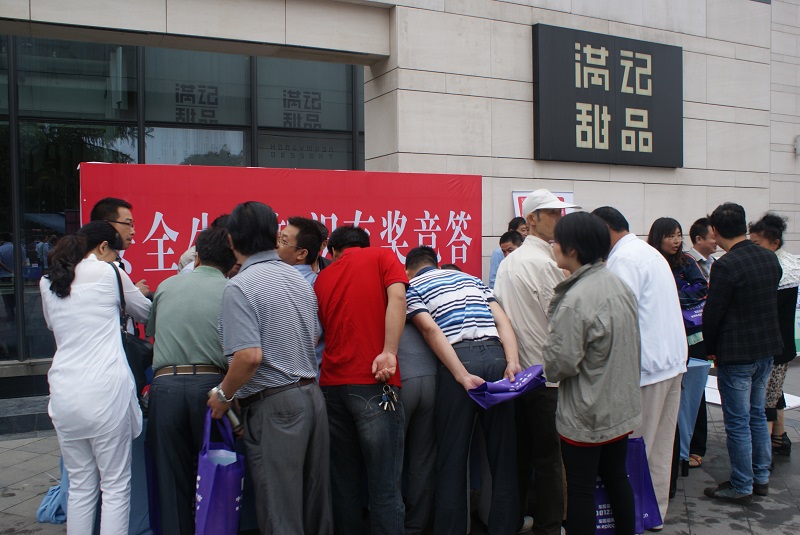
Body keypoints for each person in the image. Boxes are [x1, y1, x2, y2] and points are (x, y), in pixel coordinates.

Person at [207, 201, 332, 534]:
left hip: (275, 406)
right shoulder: (298, 279)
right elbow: (313, 335)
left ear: (231, 239)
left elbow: (248, 356)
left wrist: (223, 394)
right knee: (315, 505)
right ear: (275, 236)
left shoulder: (240, 286)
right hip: (311, 396)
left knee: (280, 510)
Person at [40, 221, 151, 535]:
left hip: (64, 392)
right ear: (103, 248)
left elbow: (53, 325)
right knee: (115, 485)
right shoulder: (108, 272)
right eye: (115, 252)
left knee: (80, 485)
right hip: (105, 391)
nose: (117, 258)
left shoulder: (49, 281)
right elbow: (144, 312)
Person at [405, 245, 522, 535]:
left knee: (452, 455)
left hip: (459, 360)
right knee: (503, 453)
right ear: (437, 263)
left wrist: (461, 375)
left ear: (408, 270)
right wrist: (512, 362)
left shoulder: (412, 287)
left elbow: (430, 330)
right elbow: (502, 320)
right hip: (496, 358)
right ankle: (505, 527)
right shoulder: (471, 279)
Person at [542, 212, 641, 535]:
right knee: (617, 477)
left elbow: (560, 364)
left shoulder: (576, 299)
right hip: (619, 404)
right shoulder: (617, 284)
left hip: (587, 411)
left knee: (581, 489)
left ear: (572, 249)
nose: (553, 245)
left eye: (557, 241)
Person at [592, 207, 686, 527]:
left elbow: (617, 317)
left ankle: (632, 516)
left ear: (606, 229)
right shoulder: (647, 252)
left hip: (647, 367)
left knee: (635, 450)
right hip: (671, 362)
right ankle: (654, 514)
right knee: (660, 448)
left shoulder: (624, 259)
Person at [494, 189, 580, 535]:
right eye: (552, 213)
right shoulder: (546, 264)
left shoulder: (509, 262)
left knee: (522, 455)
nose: (560, 219)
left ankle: (515, 518)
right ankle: (549, 525)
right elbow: (563, 321)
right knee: (548, 458)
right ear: (532, 219)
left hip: (518, 374)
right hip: (547, 376)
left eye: (560, 213)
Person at [313, 225, 408, 535]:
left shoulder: (322, 277)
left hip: (331, 386)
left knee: (344, 483)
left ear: (333, 252)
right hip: (374, 381)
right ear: (365, 245)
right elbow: (398, 298)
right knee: (384, 484)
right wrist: (389, 352)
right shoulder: (382, 256)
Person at [145, 226, 237, 535]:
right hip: (212, 390)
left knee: (171, 481)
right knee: (216, 475)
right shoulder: (232, 290)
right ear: (232, 263)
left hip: (165, 387)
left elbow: (153, 332)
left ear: (196, 257)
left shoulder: (166, 286)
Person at [703, 203, 782, 505]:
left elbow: (713, 313)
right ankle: (760, 477)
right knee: (757, 415)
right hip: (765, 350)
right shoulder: (769, 257)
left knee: (737, 421)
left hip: (736, 353)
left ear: (715, 230)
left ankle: (741, 484)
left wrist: (710, 348)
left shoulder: (726, 265)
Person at [647, 217, 709, 478]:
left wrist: (673, 294)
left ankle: (695, 447)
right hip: (662, 336)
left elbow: (701, 289)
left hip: (690, 336)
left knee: (694, 393)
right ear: (658, 237)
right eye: (670, 236)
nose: (676, 241)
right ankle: (673, 447)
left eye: (678, 235)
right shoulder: (651, 260)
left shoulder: (687, 262)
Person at [748, 212, 800, 459]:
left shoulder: (779, 268)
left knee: (766, 398)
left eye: (757, 244)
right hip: (783, 345)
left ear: (774, 243)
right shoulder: (788, 264)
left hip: (773, 347)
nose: (752, 249)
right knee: (774, 392)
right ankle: (780, 438)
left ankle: (763, 453)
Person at [397, 321, 439, 534]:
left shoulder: (388, 302)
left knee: (391, 459)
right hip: (431, 376)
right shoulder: (423, 301)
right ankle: (416, 525)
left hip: (401, 378)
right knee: (423, 457)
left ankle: (391, 522)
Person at [686, 217, 716, 468]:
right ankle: (689, 444)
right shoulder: (686, 262)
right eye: (712, 236)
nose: (716, 240)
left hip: (703, 335)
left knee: (699, 389)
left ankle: (697, 446)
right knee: (689, 390)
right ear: (698, 239)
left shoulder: (716, 264)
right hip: (688, 334)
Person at [90, 197, 149, 296]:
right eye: (128, 224)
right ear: (106, 225)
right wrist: (136, 293)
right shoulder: (95, 268)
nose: (133, 231)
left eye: (132, 225)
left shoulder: (115, 265)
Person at [488, 217, 528, 288]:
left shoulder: (528, 253)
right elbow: (493, 281)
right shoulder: (498, 253)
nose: (525, 233)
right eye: (523, 230)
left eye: (527, 230)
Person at [0, 232, 16, 321]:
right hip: (17, 275)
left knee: (6, 296)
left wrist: (9, 270)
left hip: (4, 275)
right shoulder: (19, 247)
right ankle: (15, 308)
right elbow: (23, 261)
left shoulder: (1, 249)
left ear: (2, 239)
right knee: (16, 294)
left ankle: (10, 312)